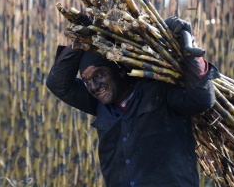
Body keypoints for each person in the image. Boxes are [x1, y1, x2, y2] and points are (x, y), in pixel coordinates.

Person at [46, 17, 220, 187]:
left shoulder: (158, 90)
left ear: (120, 70)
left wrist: (189, 46)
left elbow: (201, 99)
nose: (93, 86)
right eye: (86, 80)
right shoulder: (99, 103)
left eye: (98, 75)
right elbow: (57, 84)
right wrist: (84, 38)